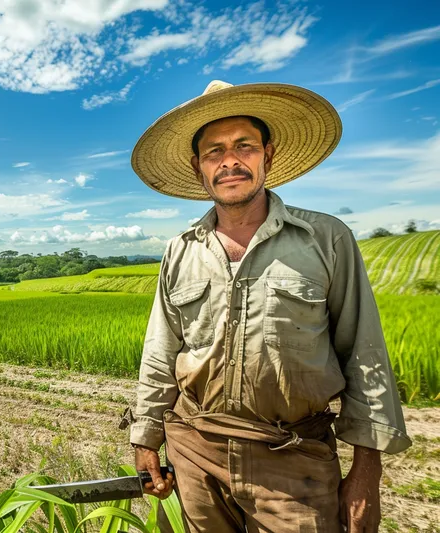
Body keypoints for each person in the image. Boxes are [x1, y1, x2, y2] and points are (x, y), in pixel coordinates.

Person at [129, 80, 411, 533]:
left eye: (245, 146)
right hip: (195, 451)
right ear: (198, 166)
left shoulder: (326, 239)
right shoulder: (180, 250)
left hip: (293, 457)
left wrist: (366, 472)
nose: (230, 161)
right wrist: (145, 439)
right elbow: (160, 352)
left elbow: (365, 353)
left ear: (269, 155)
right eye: (214, 152)